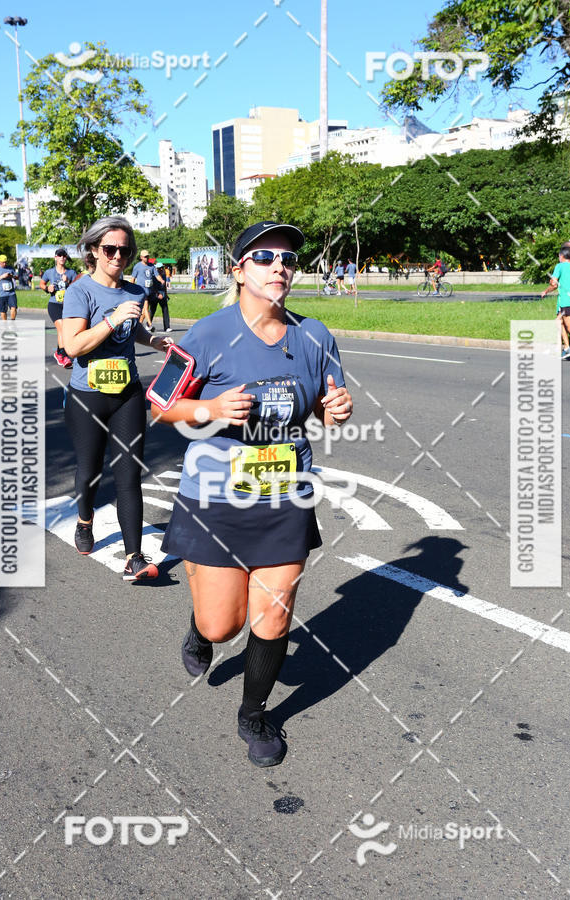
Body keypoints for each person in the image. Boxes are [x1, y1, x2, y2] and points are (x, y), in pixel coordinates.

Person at [153, 220, 353, 767]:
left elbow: (322, 403)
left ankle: (254, 715)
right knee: (224, 624)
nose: (279, 266)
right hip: (216, 497)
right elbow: (161, 407)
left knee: (275, 614)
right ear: (238, 270)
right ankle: (200, 628)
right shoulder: (205, 335)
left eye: (287, 258)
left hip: (285, 493)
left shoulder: (316, 335)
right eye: (263, 257)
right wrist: (209, 410)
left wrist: (333, 410)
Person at [62, 216, 172, 580]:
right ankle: (84, 520)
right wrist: (110, 322)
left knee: (128, 474)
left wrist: (152, 340)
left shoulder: (134, 291)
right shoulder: (81, 291)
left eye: (125, 250)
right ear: (93, 250)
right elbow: (73, 345)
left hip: (127, 395)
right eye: (110, 249)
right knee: (90, 471)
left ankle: (134, 557)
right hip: (87, 397)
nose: (118, 256)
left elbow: (132, 328)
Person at [41, 248, 78, 367]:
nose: (62, 257)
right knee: (61, 327)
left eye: (64, 255)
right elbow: (42, 284)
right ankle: (64, 355)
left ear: (66, 258)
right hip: (54, 304)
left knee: (65, 330)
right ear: (55, 257)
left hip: (68, 305)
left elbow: (78, 286)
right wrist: (47, 288)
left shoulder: (71, 273)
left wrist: (68, 283)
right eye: (59, 255)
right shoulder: (49, 272)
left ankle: (59, 352)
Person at [542, 245, 570, 359]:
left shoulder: (560, 266)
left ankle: (567, 348)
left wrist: (546, 290)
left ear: (561, 256)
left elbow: (554, 284)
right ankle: (567, 348)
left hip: (567, 302)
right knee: (558, 321)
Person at [131, 250, 160, 330]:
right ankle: (150, 325)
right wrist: (132, 290)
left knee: (144, 310)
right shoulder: (137, 266)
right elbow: (132, 279)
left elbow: (157, 276)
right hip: (141, 291)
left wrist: (162, 281)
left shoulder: (151, 266)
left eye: (147, 256)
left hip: (150, 291)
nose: (147, 258)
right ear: (141, 257)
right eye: (145, 257)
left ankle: (139, 325)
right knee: (146, 308)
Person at [0, 255, 18, 321]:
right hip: (0, 294)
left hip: (11, 293)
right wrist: (1, 276)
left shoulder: (10, 268)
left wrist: (12, 276)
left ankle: (12, 322)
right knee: (3, 311)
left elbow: (17, 277)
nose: (4, 264)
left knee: (14, 308)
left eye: (5, 262)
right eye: (3, 262)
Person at [149, 263, 171, 332]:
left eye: (162, 268)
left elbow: (164, 286)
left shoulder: (164, 275)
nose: (161, 269)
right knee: (152, 310)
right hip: (155, 295)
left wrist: (166, 294)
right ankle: (148, 324)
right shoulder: (153, 276)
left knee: (165, 310)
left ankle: (167, 327)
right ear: (156, 269)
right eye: (159, 268)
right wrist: (157, 294)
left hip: (163, 294)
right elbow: (152, 287)